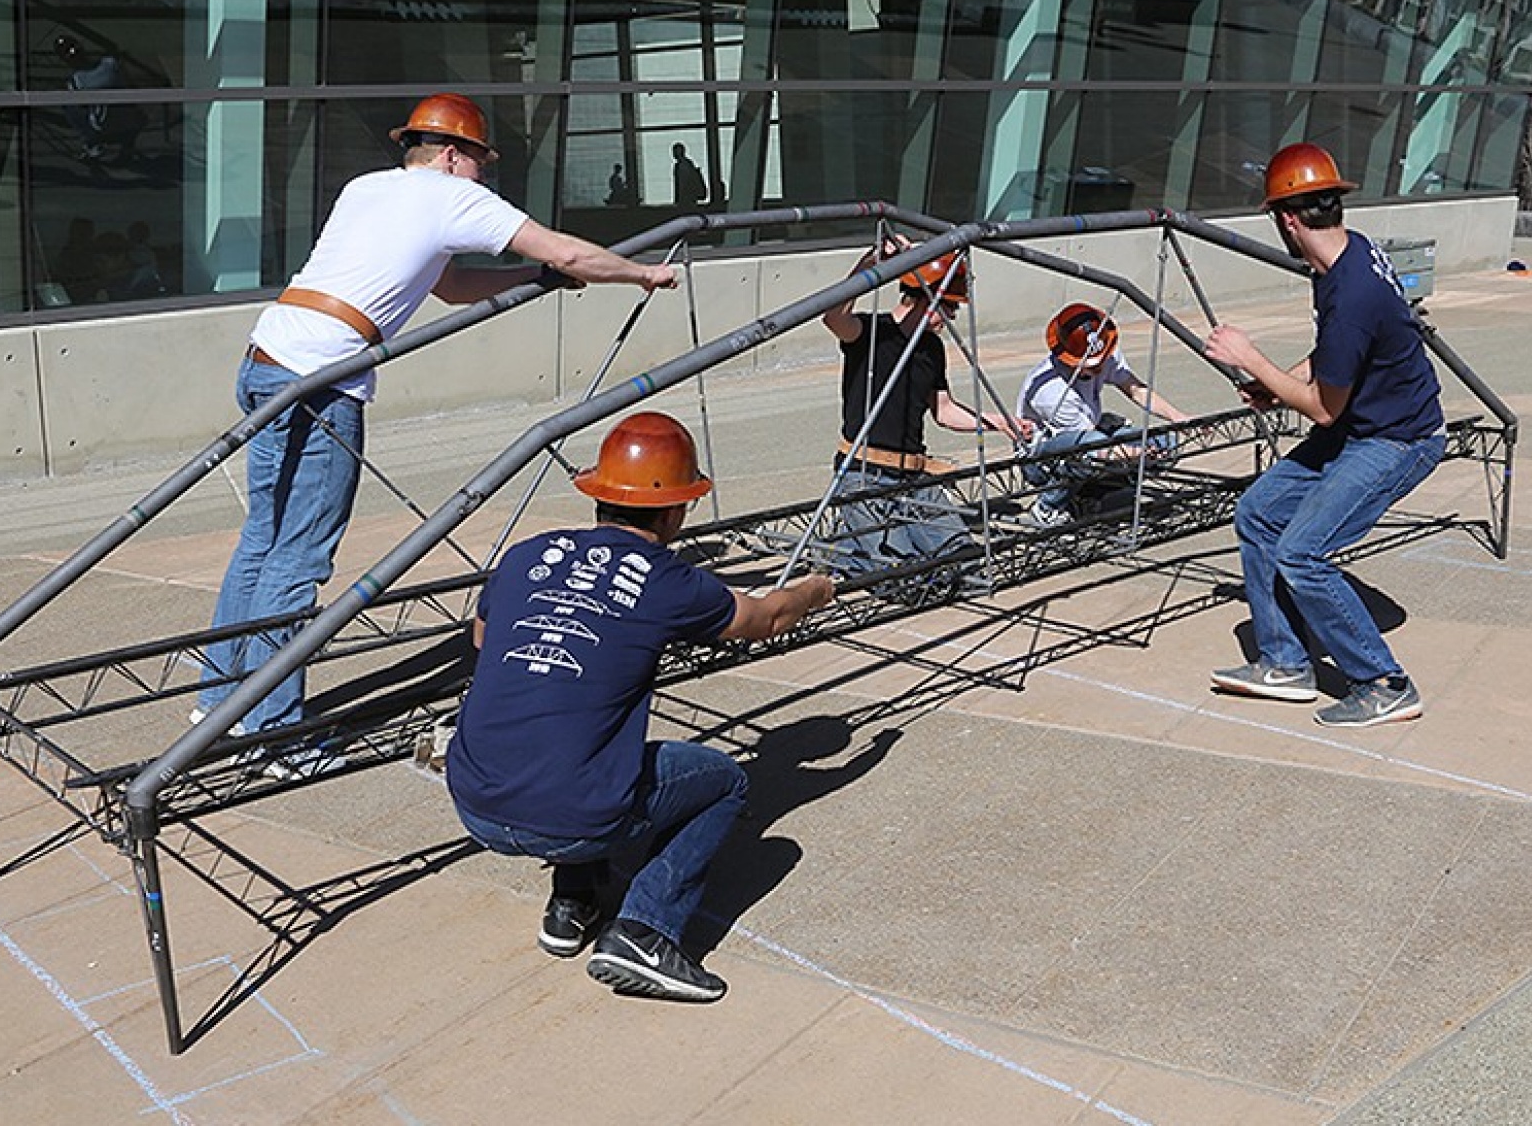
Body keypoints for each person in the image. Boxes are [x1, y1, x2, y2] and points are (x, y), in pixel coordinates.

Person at [196, 93, 680, 771]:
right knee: (298, 558)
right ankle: (272, 729)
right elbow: (565, 246)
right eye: (479, 162)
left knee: (262, 539)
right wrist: (639, 273)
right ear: (453, 156)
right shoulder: (453, 197)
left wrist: (537, 278)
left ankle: (219, 698)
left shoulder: (368, 187)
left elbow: (449, 287)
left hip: (267, 358)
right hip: (320, 378)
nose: (483, 177)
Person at [448, 411, 835, 1003]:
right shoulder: (668, 581)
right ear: (676, 509)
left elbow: (482, 637)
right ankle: (646, 933)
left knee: (583, 747)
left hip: (474, 801)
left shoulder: (528, 556)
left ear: (600, 495)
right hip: (570, 814)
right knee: (722, 782)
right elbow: (767, 618)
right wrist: (815, 589)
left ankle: (570, 907)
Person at [1204, 142, 1445, 728]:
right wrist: (1281, 379)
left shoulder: (1353, 292)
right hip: (1366, 423)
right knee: (1259, 512)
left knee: (1303, 552)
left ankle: (1384, 683)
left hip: (1397, 440)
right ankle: (1286, 663)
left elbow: (1323, 410)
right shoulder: (1346, 257)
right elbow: (1331, 360)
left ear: (1287, 219)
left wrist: (1254, 361)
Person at [824, 241, 1032, 576]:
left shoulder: (931, 348)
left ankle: (854, 546)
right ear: (923, 296)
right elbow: (833, 315)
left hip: (913, 479)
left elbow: (944, 410)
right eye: (948, 306)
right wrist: (872, 262)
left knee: (963, 559)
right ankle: (844, 553)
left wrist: (995, 422)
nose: (950, 317)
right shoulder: (869, 332)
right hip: (864, 476)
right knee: (903, 572)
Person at [1015, 302, 1190, 527]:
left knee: (1166, 442)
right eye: (1092, 366)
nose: (1100, 368)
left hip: (1091, 438)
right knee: (1092, 453)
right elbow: (1090, 447)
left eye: (1102, 361)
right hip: (1043, 457)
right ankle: (1047, 508)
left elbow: (1135, 389)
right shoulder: (1050, 391)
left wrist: (1178, 418)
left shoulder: (1104, 353)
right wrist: (1137, 453)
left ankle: (1089, 495)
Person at [52, 34, 147, 166]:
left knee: (69, 105)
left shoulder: (77, 82)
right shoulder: (110, 63)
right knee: (126, 108)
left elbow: (82, 108)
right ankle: (127, 148)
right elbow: (131, 86)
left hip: (105, 128)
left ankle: (92, 145)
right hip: (133, 121)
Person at [671, 141, 706, 208]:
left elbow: (681, 184)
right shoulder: (689, 163)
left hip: (686, 197)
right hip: (691, 196)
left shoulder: (681, 166)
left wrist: (678, 199)